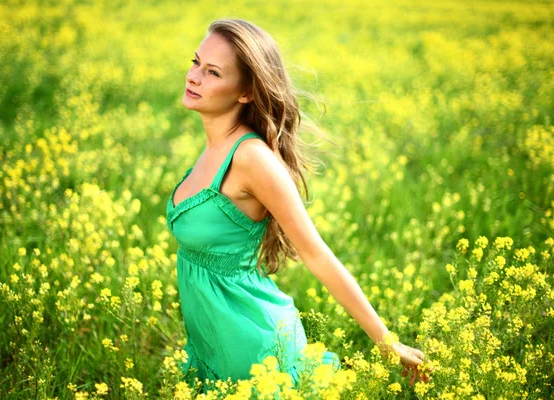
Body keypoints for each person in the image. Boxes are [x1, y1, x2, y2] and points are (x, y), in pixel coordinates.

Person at [166, 18, 431, 393]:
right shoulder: (215, 145)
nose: (194, 77)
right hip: (212, 342)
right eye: (196, 63)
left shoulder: (252, 159)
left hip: (252, 350)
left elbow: (317, 255)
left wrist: (387, 342)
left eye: (212, 72)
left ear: (245, 92)